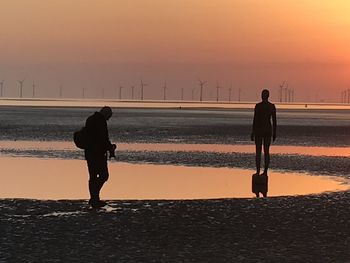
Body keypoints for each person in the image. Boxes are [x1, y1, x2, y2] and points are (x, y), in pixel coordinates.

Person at [84, 106, 116, 208]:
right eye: (109, 116)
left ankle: (94, 198)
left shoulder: (90, 119)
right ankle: (94, 198)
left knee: (93, 176)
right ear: (106, 114)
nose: (109, 119)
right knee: (104, 176)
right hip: (98, 154)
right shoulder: (101, 122)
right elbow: (103, 139)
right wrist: (110, 147)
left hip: (89, 152)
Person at [251, 89, 276, 176]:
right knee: (266, 151)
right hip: (268, 130)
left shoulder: (258, 106)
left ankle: (258, 171)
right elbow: (274, 121)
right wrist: (274, 133)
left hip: (259, 130)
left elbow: (255, 120)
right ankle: (265, 171)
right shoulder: (271, 106)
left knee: (258, 152)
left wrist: (252, 132)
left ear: (262, 96)